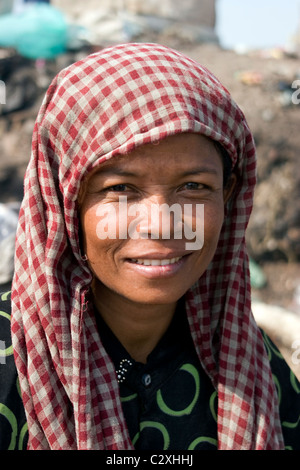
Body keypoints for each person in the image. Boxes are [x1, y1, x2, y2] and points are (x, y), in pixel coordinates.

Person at [0, 43, 299, 451]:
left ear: (227, 196)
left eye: (193, 187)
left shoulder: (258, 371)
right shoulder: (10, 365)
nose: (161, 225)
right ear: (65, 201)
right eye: (120, 188)